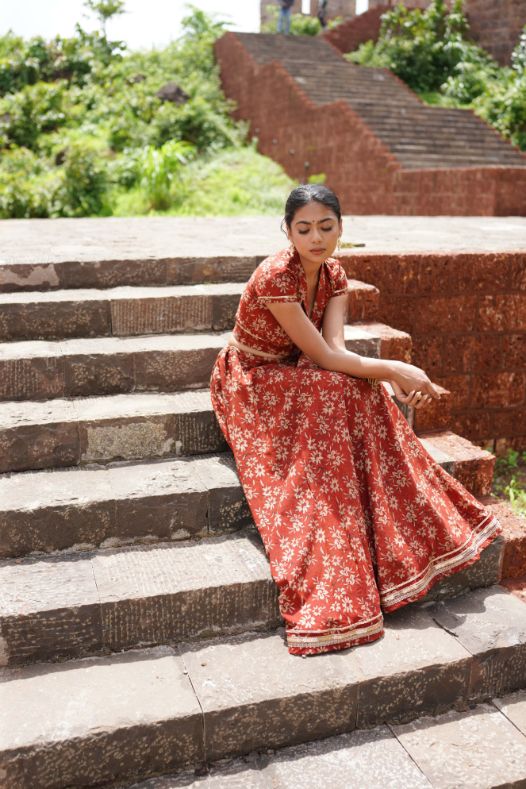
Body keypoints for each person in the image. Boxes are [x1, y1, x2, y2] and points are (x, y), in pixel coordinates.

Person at [209, 184, 502, 657]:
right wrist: (394, 369)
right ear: (287, 231)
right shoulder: (275, 277)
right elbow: (323, 355)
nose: (316, 237)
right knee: (343, 387)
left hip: (297, 370)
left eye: (326, 227)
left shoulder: (334, 276)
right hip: (252, 379)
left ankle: (401, 537)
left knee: (352, 386)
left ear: (341, 228)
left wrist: (382, 378)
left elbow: (336, 355)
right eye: (303, 228)